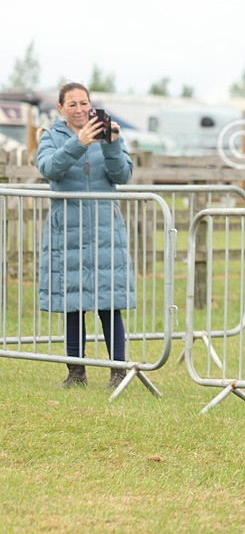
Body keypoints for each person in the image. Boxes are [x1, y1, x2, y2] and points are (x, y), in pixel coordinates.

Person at [37, 82, 136, 389]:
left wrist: (112, 144)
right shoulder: (51, 136)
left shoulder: (106, 135)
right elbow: (49, 168)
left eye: (84, 103)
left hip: (106, 230)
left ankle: (117, 371)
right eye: (72, 104)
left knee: (110, 303)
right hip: (68, 231)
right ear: (60, 108)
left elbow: (123, 175)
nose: (79, 110)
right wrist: (77, 143)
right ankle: (75, 372)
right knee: (73, 303)